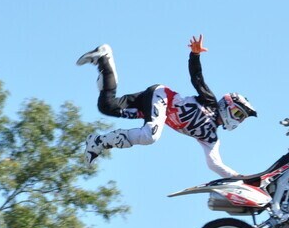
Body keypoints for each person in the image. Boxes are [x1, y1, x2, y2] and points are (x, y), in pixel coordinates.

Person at [75, 35, 256, 176]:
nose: (238, 120)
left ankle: (104, 59)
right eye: (238, 114)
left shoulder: (211, 137)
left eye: (242, 118)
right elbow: (197, 78)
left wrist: (239, 178)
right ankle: (102, 142)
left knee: (107, 106)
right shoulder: (211, 103)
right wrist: (195, 54)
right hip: (162, 96)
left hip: (153, 109)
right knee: (150, 135)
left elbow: (214, 164)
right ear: (227, 105)